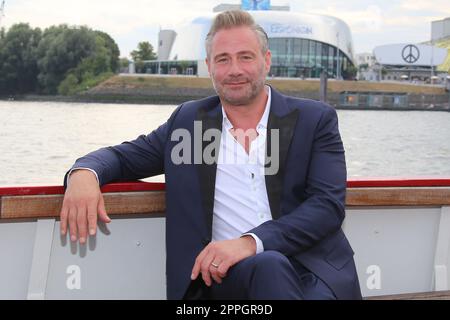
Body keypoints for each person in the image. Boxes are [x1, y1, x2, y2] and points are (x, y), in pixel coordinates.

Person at [60, 10, 362, 300]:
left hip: (312, 270)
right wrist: (84, 174)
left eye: (246, 57)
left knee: (275, 267)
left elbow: (327, 206)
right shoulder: (189, 125)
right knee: (269, 266)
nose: (234, 70)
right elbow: (123, 158)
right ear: (209, 66)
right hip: (227, 279)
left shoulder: (314, 120)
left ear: (266, 61)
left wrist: (250, 242)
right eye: (223, 59)